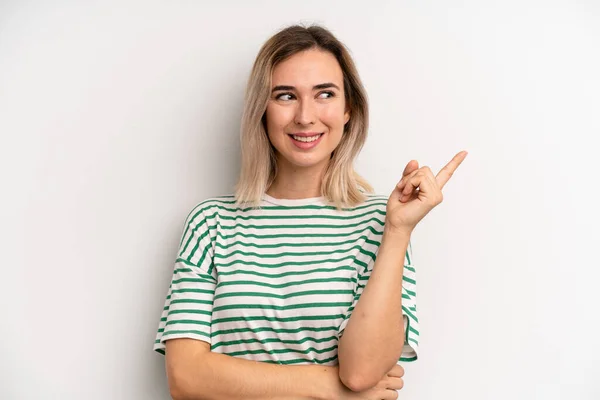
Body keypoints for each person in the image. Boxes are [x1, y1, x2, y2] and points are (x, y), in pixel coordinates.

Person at [153, 24, 467, 400]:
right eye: (285, 96)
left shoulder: (380, 223)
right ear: (261, 110)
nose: (305, 116)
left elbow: (362, 371)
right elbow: (185, 377)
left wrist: (398, 231)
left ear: (348, 108)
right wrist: (325, 386)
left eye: (325, 94)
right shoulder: (210, 223)